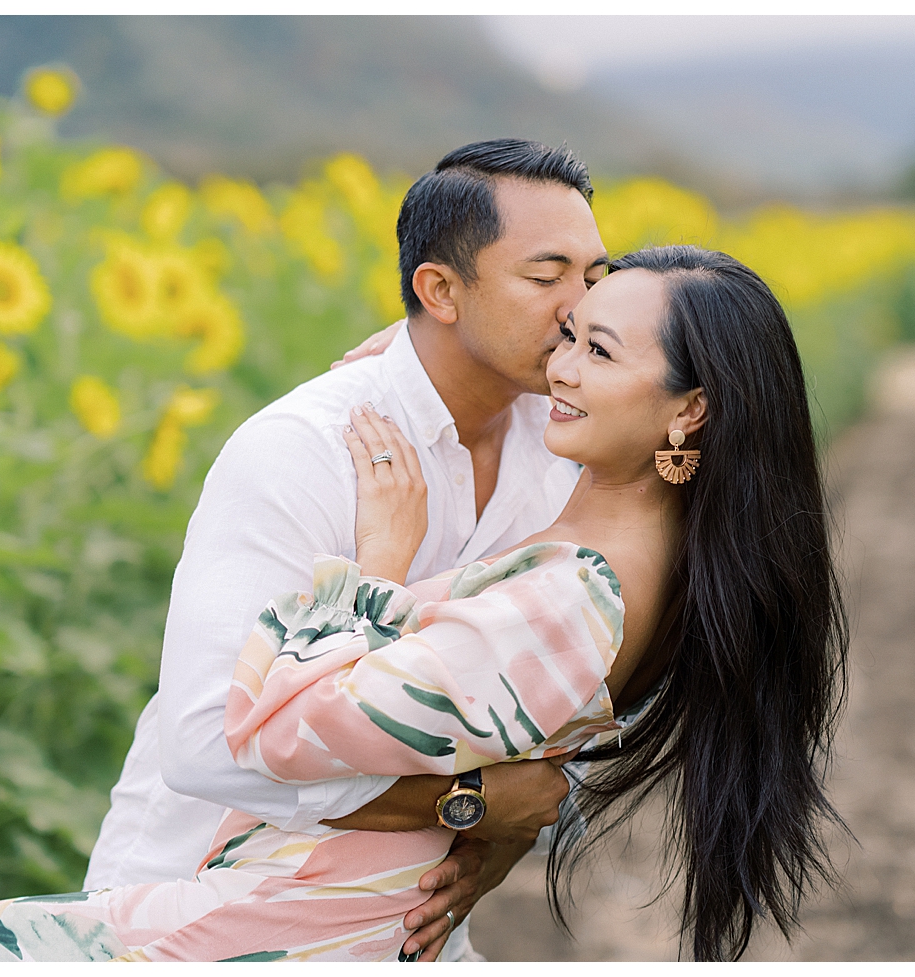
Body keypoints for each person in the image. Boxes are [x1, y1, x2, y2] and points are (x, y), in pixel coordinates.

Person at [0, 245, 850, 962]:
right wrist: (427, 358)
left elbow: (271, 726)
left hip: (284, 927)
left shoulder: (568, 601)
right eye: (563, 335)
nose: (558, 368)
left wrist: (377, 563)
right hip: (350, 914)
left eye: (595, 351)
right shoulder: (650, 547)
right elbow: (520, 762)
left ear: (690, 407)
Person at [83, 138, 611, 962]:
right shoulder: (305, 448)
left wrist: (510, 827)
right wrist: (468, 801)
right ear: (439, 289)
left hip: (403, 918)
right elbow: (203, 744)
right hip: (203, 905)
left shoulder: (566, 448)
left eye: (595, 277)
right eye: (547, 279)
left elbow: (600, 685)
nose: (581, 307)